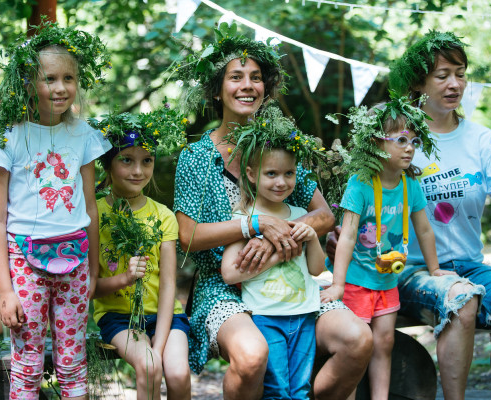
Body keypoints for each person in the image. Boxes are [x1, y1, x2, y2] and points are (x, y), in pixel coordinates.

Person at [173, 23, 373, 400]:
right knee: (252, 357)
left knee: (358, 340)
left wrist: (278, 242)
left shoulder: (280, 144)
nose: (248, 85)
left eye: (256, 78)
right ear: (217, 90)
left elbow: (324, 215)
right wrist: (256, 224)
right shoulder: (195, 157)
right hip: (225, 285)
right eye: (236, 77)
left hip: (292, 276)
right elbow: (189, 236)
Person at [329, 31, 491, 400]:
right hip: (405, 270)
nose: (455, 83)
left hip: (469, 263)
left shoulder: (481, 139)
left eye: (461, 73)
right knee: (460, 297)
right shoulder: (397, 137)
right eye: (442, 74)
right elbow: (361, 204)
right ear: (420, 83)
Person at [0, 20, 111, 399]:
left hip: (76, 259)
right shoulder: (6, 138)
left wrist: (94, 265)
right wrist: (6, 290)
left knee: (72, 363)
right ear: (27, 83)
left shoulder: (83, 135)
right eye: (49, 78)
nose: (60, 87)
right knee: (28, 365)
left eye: (69, 78)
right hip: (24, 262)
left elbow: (90, 207)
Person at [321, 96, 444, 399]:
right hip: (356, 282)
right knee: (355, 346)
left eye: (414, 140)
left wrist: (435, 268)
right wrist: (337, 285)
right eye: (401, 139)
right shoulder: (359, 184)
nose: (410, 147)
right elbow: (347, 236)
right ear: (376, 143)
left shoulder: (410, 185)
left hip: (387, 278)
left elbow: (424, 229)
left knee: (384, 342)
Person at [220, 105, 326, 399]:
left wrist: (312, 238)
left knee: (302, 390)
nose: (281, 182)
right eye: (272, 174)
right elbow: (229, 273)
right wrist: (279, 252)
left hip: (304, 313)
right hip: (266, 315)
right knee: (277, 390)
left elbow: (318, 269)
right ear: (252, 174)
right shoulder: (244, 218)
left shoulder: (302, 213)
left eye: (289, 173)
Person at [91, 110, 191, 400]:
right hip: (119, 318)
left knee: (177, 373)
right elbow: (88, 289)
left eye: (147, 161)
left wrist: (158, 346)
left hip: (166, 316)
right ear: (107, 165)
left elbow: (169, 284)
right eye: (127, 160)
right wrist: (124, 279)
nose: (138, 170)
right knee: (148, 367)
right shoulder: (94, 213)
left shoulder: (164, 215)